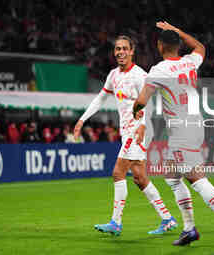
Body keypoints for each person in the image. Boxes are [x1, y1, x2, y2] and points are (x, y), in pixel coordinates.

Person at [133, 21, 214, 249]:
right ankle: (189, 229)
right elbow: (201, 47)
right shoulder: (188, 62)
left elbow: (142, 101)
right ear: (178, 45)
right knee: (172, 176)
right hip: (195, 125)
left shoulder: (159, 70)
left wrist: (134, 111)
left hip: (182, 130)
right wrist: (179, 31)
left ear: (159, 46)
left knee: (196, 179)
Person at [74, 35, 177, 236]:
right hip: (128, 131)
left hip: (139, 130)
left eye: (124, 49)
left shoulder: (139, 75)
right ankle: (167, 219)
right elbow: (100, 99)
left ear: (132, 51)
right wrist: (82, 119)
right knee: (139, 177)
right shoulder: (113, 75)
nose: (120, 52)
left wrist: (142, 126)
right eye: (117, 49)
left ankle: (116, 222)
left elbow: (150, 102)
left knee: (117, 173)